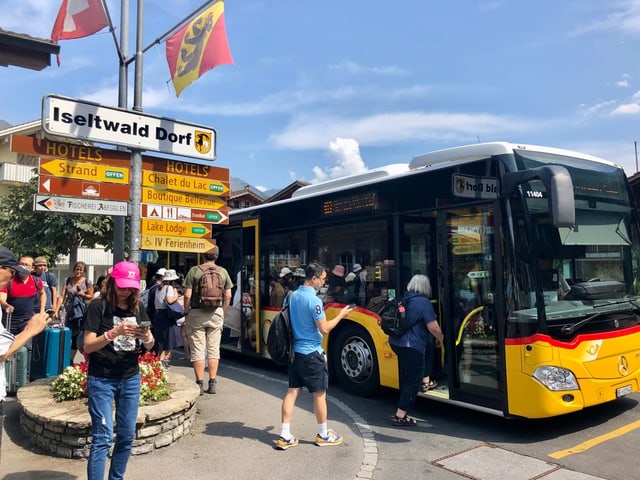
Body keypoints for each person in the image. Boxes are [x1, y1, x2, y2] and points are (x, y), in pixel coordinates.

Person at [82, 260, 154, 480]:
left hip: (130, 377)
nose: (126, 291)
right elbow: (87, 345)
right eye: (122, 286)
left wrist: (147, 337)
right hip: (102, 378)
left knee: (126, 435)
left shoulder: (137, 306)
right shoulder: (98, 306)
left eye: (130, 287)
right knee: (102, 437)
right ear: (112, 283)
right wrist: (115, 333)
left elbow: (151, 345)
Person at [275, 263, 353, 450]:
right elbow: (324, 328)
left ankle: (284, 434)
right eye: (324, 278)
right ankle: (323, 434)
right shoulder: (315, 301)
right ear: (314, 278)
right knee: (319, 394)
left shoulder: (292, 296)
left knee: (292, 391)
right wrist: (341, 315)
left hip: (295, 353)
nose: (324, 282)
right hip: (311, 353)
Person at [0, 247, 50, 457]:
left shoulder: (37, 282)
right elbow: (2, 353)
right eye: (10, 270)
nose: (13, 275)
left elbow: (43, 295)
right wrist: (32, 329)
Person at [388, 274, 443, 426]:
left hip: (396, 342)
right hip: (412, 346)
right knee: (414, 380)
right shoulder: (424, 302)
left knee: (409, 376)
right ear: (426, 287)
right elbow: (433, 327)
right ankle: (400, 416)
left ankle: (402, 410)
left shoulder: (404, 298)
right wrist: (440, 338)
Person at [183, 245, 233, 395]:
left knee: (198, 350)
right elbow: (228, 295)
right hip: (216, 313)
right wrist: (223, 312)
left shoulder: (194, 271)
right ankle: (212, 382)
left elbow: (187, 295)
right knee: (213, 349)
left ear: (203, 256)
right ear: (216, 257)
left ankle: (199, 383)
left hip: (197, 313)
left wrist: (187, 312)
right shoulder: (223, 272)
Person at [57, 261, 94, 361]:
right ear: (74, 270)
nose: (78, 271)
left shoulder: (87, 282)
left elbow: (91, 296)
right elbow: (62, 296)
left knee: (77, 335)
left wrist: (83, 294)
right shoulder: (68, 280)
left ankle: (75, 359)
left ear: (84, 271)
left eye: (81, 270)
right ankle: (68, 359)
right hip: (68, 311)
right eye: (77, 269)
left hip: (81, 313)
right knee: (68, 333)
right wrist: (56, 310)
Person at [153, 269, 181, 369]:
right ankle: (161, 361)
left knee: (161, 340)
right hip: (166, 316)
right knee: (171, 339)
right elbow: (169, 301)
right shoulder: (169, 288)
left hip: (158, 315)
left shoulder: (158, 288)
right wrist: (176, 296)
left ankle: (159, 360)